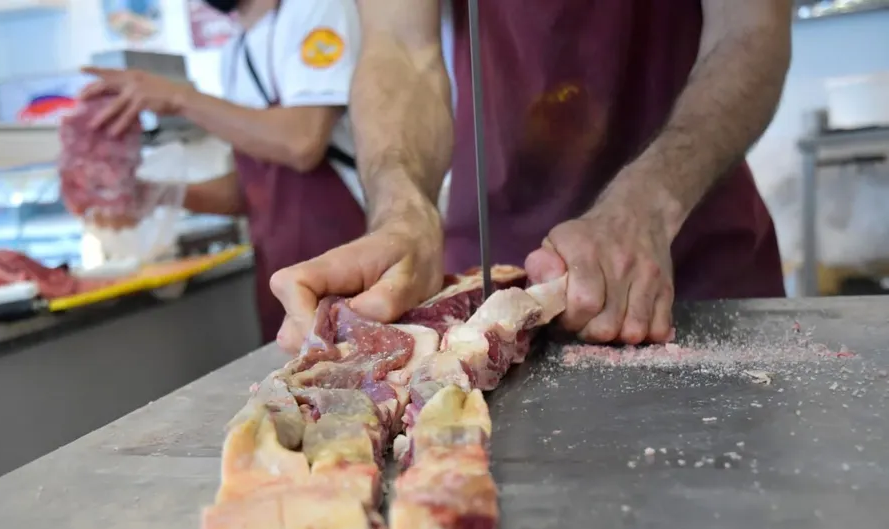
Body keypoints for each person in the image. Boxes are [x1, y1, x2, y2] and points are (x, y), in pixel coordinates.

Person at [269, 0, 793, 353]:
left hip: (691, 255)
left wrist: (648, 205)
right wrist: (401, 211)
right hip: (486, 279)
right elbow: (401, 48)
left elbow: (749, 30)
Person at [81, 0, 367, 342]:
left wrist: (179, 98)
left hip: (345, 263)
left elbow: (301, 142)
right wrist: (161, 194)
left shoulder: (315, 10)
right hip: (281, 279)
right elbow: (253, 191)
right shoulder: (234, 53)